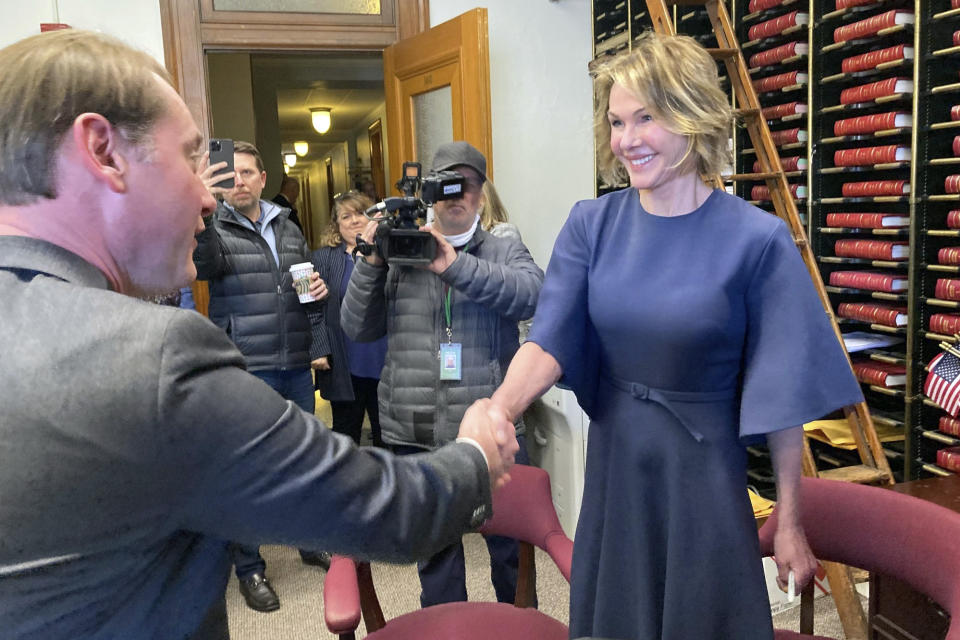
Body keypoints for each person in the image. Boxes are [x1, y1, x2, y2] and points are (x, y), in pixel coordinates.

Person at [0, 29, 517, 640]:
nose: (204, 195)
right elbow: (386, 509)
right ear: (103, 151)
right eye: (192, 159)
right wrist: (478, 455)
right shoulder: (151, 355)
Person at [479, 32, 864, 639]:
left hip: (705, 475)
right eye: (616, 122)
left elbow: (782, 394)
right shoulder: (592, 225)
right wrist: (499, 408)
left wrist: (790, 519)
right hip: (617, 471)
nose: (627, 140)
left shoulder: (756, 241)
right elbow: (549, 340)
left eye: (646, 118)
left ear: (692, 116)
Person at [341, 141, 544, 609]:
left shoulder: (502, 246)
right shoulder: (397, 250)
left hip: (492, 428)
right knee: (436, 562)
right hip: (416, 430)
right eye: (444, 184)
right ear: (427, 191)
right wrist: (373, 261)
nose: (456, 195)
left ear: (481, 191)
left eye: (466, 184)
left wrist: (453, 265)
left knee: (512, 553)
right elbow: (357, 327)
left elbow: (532, 294)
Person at [194, 140, 327, 610]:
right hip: (245, 365)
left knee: (302, 458)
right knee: (248, 469)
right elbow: (203, 265)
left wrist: (318, 292)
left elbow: (302, 287)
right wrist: (204, 209)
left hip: (293, 361)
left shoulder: (287, 226)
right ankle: (250, 569)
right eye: (231, 175)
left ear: (263, 178)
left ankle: (309, 539)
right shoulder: (215, 227)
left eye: (248, 173)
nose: (240, 181)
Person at [310, 191, 388, 447]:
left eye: (360, 213)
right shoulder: (323, 258)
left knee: (386, 436)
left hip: (385, 359)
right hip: (344, 362)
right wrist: (319, 349)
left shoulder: (390, 253)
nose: (354, 220)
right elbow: (313, 309)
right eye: (346, 216)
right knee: (345, 436)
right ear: (337, 224)